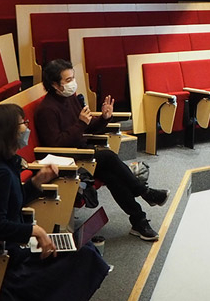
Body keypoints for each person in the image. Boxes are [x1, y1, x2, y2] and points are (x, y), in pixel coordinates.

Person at [0, 104, 109, 301]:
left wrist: (36, 182)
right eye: (22, 124)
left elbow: (12, 204)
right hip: (7, 262)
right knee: (83, 256)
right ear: (6, 131)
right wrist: (36, 232)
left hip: (16, 249)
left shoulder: (5, 166)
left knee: (81, 250)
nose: (26, 128)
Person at [35, 59, 169, 241]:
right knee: (107, 156)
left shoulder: (71, 99)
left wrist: (104, 118)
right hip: (65, 161)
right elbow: (56, 145)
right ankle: (144, 192)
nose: (72, 83)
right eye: (67, 80)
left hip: (83, 155)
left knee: (114, 178)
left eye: (72, 78)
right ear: (54, 84)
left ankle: (139, 221)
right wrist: (80, 123)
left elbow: (87, 129)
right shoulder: (46, 110)